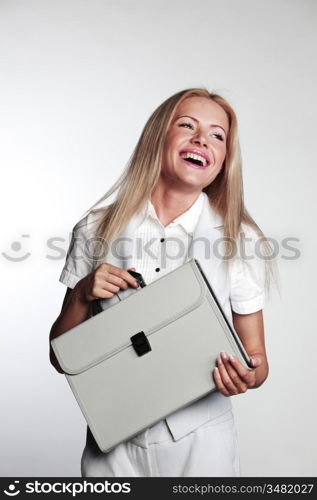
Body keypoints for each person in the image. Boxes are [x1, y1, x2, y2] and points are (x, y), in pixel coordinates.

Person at [49, 88, 271, 477]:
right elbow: (60, 357)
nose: (202, 139)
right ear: (158, 138)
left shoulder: (242, 239)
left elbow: (257, 359)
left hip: (201, 443)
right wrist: (83, 294)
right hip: (112, 446)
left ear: (222, 162)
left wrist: (247, 375)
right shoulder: (94, 229)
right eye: (187, 125)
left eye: (217, 135)